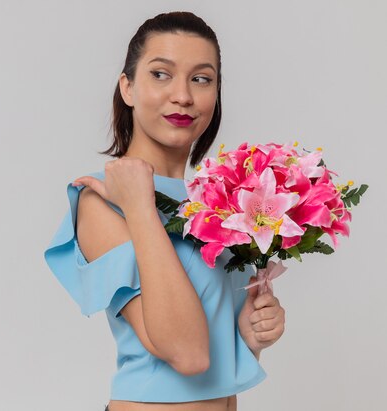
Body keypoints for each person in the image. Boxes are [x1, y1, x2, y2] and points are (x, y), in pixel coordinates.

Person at [44, 11, 286, 411]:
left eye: (201, 79)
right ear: (128, 87)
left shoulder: (216, 200)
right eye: (160, 74)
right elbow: (187, 355)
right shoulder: (102, 200)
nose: (183, 96)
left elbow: (211, 360)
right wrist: (139, 205)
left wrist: (248, 337)